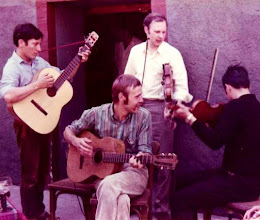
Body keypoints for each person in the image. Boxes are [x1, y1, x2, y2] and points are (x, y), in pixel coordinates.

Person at [0, 23, 90, 219]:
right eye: (35, 44)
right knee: (30, 175)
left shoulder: (39, 62)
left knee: (42, 173)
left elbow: (62, 78)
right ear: (21, 43)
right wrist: (37, 85)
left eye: (40, 44)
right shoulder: (12, 67)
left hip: (43, 123)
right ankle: (31, 215)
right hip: (26, 126)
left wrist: (78, 60)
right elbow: (7, 95)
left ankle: (40, 212)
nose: (39, 49)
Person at [124, 12, 192, 219]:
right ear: (146, 31)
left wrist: (171, 105)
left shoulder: (172, 54)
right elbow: (127, 79)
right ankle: (140, 207)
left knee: (162, 161)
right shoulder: (136, 52)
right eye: (156, 32)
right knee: (136, 156)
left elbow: (182, 87)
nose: (161, 36)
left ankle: (160, 211)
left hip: (161, 107)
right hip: (137, 107)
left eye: (163, 31)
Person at [170, 65, 260, 219]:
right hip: (249, 182)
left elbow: (215, 141)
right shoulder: (256, 107)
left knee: (180, 199)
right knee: (182, 180)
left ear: (228, 88)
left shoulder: (234, 108)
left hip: (238, 183)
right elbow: (231, 133)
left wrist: (189, 118)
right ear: (248, 85)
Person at [63, 74, 152, 220]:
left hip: (134, 173)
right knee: (121, 199)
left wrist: (141, 158)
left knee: (109, 186)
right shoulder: (97, 114)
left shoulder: (144, 116)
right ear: (122, 97)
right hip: (104, 174)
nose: (141, 100)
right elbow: (68, 130)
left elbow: (146, 150)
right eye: (137, 96)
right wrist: (76, 142)